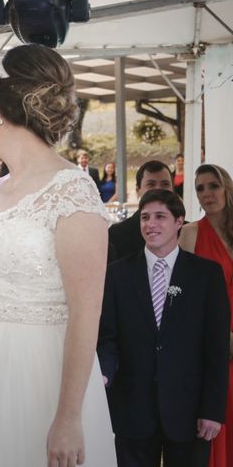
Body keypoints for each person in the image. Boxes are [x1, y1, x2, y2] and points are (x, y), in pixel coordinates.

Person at [0, 44, 116, 466]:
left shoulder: (73, 191)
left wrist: (69, 416)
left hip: (37, 370)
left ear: (2, 107)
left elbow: (86, 314)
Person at [99, 189, 230, 467]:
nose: (151, 224)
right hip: (132, 410)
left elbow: (216, 350)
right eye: (145, 217)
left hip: (189, 411)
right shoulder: (117, 274)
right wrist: (103, 373)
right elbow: (107, 337)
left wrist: (212, 410)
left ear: (179, 221)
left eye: (160, 216)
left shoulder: (206, 275)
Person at [179, 164, 233, 467]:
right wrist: (220, 339)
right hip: (214, 347)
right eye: (200, 188)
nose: (207, 194)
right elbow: (184, 302)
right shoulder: (189, 233)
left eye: (213, 186)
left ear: (226, 187)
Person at [108, 160, 173, 261]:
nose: (158, 190)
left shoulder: (186, 232)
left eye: (165, 184)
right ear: (138, 190)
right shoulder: (117, 234)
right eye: (151, 185)